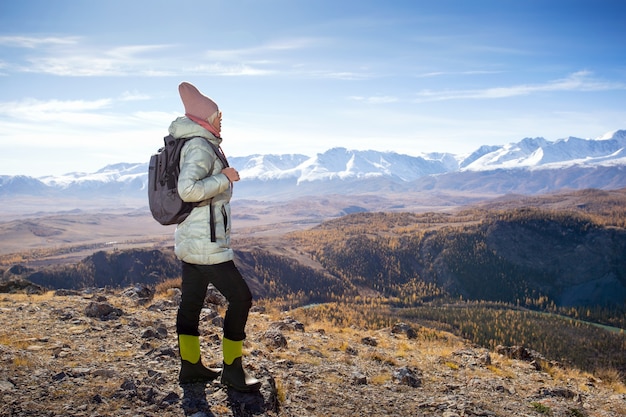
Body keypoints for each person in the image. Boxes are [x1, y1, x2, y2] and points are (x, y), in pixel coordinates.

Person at [170, 81, 261, 392]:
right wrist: (223, 177)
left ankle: (191, 366)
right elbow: (189, 189)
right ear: (204, 117)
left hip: (192, 240)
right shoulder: (198, 145)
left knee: (192, 302)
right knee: (241, 298)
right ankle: (232, 371)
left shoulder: (199, 143)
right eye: (217, 113)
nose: (222, 118)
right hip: (206, 244)